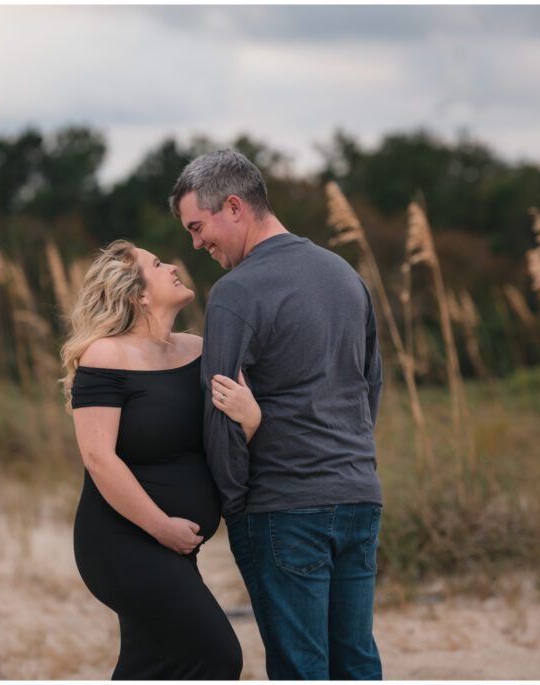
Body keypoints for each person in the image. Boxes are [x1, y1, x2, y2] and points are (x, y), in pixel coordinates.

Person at [169, 149, 385, 680]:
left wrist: (237, 505)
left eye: (199, 226)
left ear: (235, 207)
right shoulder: (344, 274)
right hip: (358, 496)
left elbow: (220, 415)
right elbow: (370, 385)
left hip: (283, 507)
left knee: (300, 668)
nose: (196, 244)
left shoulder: (236, 292)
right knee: (355, 660)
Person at [60, 239, 247, 680]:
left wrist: (251, 416)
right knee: (217, 656)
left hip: (177, 547)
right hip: (123, 542)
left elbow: (232, 434)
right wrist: (162, 528)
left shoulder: (200, 350)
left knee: (154, 665)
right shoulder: (106, 355)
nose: (173, 267)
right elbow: (98, 458)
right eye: (158, 264)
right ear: (137, 293)